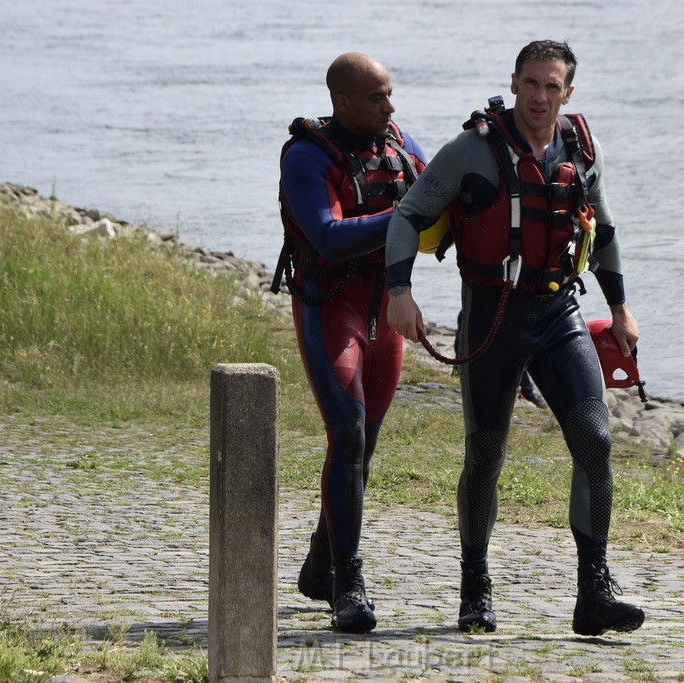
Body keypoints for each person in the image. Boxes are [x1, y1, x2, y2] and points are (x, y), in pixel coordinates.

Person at [385, 39, 644, 636]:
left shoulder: (579, 145)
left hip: (558, 313)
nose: (541, 96)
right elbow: (407, 216)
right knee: (485, 457)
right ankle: (475, 586)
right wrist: (401, 291)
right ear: (515, 82)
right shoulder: (473, 150)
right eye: (532, 83)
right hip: (492, 319)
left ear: (568, 92)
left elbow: (602, 231)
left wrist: (622, 310)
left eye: (553, 86)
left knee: (595, 441)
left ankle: (594, 592)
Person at [273, 52, 427, 633]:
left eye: (390, 94)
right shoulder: (308, 157)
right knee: (350, 426)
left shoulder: (399, 143)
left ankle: (320, 561)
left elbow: (445, 193)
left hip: (383, 312)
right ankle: (348, 582)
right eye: (376, 98)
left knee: (364, 442)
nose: (391, 107)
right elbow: (331, 238)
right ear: (341, 101)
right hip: (329, 305)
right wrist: (409, 213)